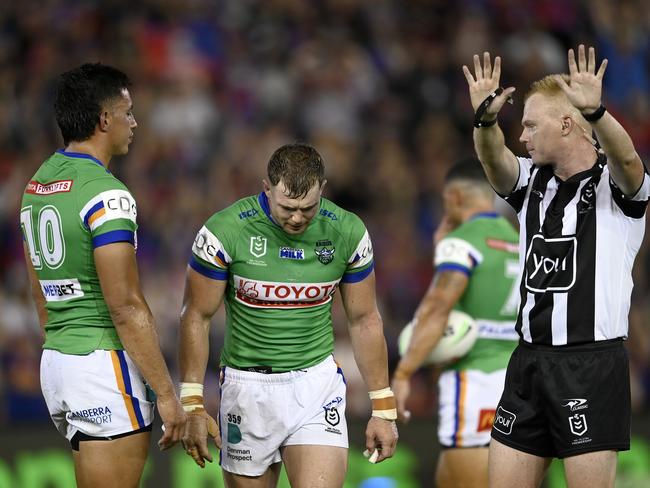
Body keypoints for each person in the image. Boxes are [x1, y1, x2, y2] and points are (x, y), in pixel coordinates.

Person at [462, 44, 649, 488]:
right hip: (528, 362)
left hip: (590, 363)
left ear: (567, 124)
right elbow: (493, 158)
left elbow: (628, 160)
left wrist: (598, 113)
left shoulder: (616, 188)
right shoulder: (531, 182)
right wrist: (485, 120)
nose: (522, 137)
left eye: (529, 125)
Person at [178, 142, 398, 486]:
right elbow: (196, 315)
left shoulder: (348, 232)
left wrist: (383, 409)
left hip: (314, 385)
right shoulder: (224, 231)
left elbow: (364, 319)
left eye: (308, 208)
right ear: (266, 188)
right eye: (287, 207)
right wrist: (191, 401)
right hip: (246, 389)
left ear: (322, 190)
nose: (297, 217)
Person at [20, 63, 186, 488]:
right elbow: (126, 305)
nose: (134, 123)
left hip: (59, 358)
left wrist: (62, 347)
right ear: (104, 119)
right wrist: (167, 396)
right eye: (128, 113)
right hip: (101, 363)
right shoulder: (107, 194)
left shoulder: (37, 185)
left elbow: (37, 285)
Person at [392, 160, 520, 488]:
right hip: (519, 380)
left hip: (476, 380)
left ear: (457, 197)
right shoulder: (520, 240)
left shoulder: (461, 242)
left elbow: (436, 309)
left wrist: (404, 373)